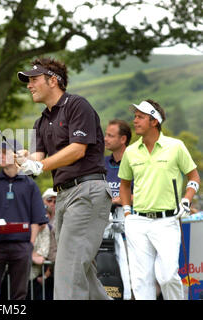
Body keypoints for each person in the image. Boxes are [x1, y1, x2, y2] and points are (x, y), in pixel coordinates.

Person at [16, 57, 112, 300]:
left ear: (53, 80)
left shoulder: (77, 105)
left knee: (68, 270)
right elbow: (36, 158)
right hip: (65, 196)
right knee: (82, 273)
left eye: (34, 79)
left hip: (87, 191)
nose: (29, 85)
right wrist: (23, 160)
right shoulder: (41, 121)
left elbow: (77, 149)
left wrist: (39, 164)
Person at [118, 99, 200, 300]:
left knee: (167, 276)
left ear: (154, 121)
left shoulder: (176, 147)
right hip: (138, 221)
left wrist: (187, 200)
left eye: (140, 117)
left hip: (167, 221)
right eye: (135, 116)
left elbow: (194, 177)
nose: (134, 121)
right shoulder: (130, 151)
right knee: (141, 279)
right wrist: (127, 212)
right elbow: (125, 184)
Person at [0, 139, 48, 300]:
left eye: (4, 153)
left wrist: (30, 244)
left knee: (19, 296)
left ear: (16, 156)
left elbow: (37, 220)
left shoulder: (30, 185)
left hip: (21, 247)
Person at [104, 119, 132, 300]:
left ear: (123, 139)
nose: (105, 139)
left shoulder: (135, 162)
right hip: (104, 225)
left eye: (110, 135)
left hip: (129, 225)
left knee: (132, 273)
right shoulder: (101, 163)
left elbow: (146, 194)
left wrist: (120, 199)